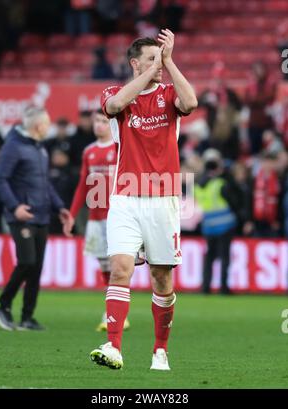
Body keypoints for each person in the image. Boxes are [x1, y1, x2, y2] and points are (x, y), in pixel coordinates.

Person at [89, 30, 198, 370]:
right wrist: (151, 72)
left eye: (161, 58)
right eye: (151, 59)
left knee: (162, 278)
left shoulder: (169, 94)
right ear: (134, 64)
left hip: (162, 198)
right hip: (124, 198)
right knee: (120, 270)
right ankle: (114, 345)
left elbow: (191, 103)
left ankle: (160, 350)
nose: (158, 65)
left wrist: (169, 62)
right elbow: (114, 106)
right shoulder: (116, 93)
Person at [0, 107, 70, 331]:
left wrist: (60, 208)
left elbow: (44, 183)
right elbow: (0, 179)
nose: (49, 127)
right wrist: (14, 207)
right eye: (47, 123)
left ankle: (27, 317)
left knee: (36, 267)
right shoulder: (13, 147)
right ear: (38, 126)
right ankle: (3, 306)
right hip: (22, 216)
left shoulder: (39, 148)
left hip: (42, 215)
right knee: (26, 261)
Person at [63, 109, 140, 331]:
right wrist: (72, 214)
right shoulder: (89, 151)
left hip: (118, 215)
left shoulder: (119, 147)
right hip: (95, 218)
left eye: (104, 121)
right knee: (105, 265)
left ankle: (117, 313)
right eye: (96, 121)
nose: (99, 125)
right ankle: (113, 311)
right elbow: (82, 186)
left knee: (119, 265)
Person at [195, 149, 243, 295]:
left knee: (209, 257)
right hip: (225, 224)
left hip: (208, 225)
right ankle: (223, 287)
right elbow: (235, 200)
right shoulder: (220, 183)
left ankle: (206, 287)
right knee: (224, 257)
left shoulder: (198, 185)